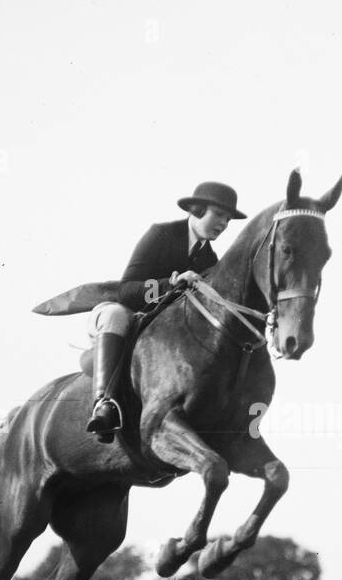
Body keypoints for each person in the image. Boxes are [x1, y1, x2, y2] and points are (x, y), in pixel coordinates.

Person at [84, 180, 246, 441]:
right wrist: (170, 283)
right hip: (125, 317)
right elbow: (126, 290)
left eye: (228, 220)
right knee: (116, 314)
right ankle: (105, 404)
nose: (224, 224)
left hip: (161, 330)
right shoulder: (161, 234)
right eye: (219, 215)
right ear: (195, 209)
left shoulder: (211, 261)